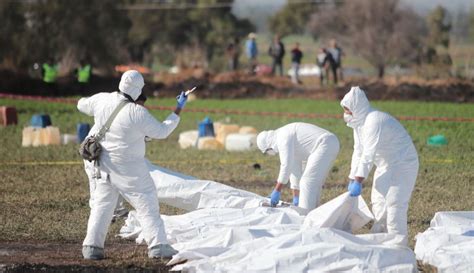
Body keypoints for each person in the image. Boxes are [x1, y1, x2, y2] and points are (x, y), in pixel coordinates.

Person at [78, 70, 188, 260]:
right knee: (146, 202)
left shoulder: (102, 99)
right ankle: (158, 245)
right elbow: (162, 132)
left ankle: (92, 247)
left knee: (102, 205)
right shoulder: (137, 112)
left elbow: (81, 104)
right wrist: (177, 109)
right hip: (128, 167)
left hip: (102, 165)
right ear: (138, 90)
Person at [341, 86, 418, 246]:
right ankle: (380, 243)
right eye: (345, 110)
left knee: (394, 204)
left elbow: (368, 154)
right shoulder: (359, 124)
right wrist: (351, 177)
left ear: (357, 107)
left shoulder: (374, 121)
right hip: (385, 165)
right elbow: (358, 151)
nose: (346, 114)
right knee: (378, 202)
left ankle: (399, 247)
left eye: (348, 110)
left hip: (403, 164)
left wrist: (359, 180)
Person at [256, 122, 340, 212]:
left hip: (325, 143)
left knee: (307, 181)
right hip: (327, 143)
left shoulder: (282, 136)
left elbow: (286, 164)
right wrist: (296, 197)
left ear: (269, 146)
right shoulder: (287, 139)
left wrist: (277, 190)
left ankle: (305, 216)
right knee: (312, 183)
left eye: (267, 151)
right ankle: (312, 212)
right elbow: (294, 170)